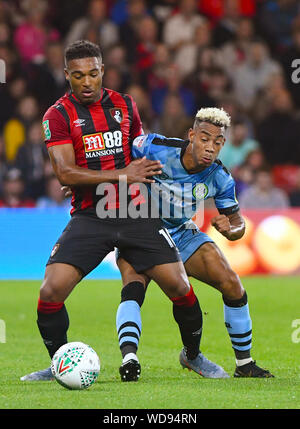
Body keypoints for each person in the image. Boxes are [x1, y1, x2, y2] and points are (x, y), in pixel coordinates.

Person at [21, 40, 226, 383]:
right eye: (78, 76)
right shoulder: (56, 116)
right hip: (91, 215)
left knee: (180, 286)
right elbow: (64, 173)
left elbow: (140, 155)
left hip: (137, 212)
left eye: (93, 73)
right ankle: (59, 362)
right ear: (66, 75)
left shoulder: (125, 104)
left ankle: (193, 356)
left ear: (102, 70)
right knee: (50, 291)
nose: (87, 82)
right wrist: (118, 174)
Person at [116, 107, 274, 378]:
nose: (210, 147)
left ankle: (244, 365)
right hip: (141, 230)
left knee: (232, 283)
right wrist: (88, 181)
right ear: (191, 135)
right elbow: (117, 156)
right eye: (204, 138)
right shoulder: (156, 147)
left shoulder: (220, 177)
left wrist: (233, 229)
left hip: (181, 232)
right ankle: (129, 359)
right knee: (134, 286)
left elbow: (236, 220)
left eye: (218, 142)